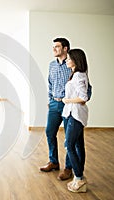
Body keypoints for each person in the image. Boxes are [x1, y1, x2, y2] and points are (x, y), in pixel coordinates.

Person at [40, 38, 91, 181]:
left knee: (71, 140)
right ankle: (53, 161)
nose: (54, 49)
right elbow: (50, 82)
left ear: (65, 48)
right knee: (49, 132)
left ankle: (69, 168)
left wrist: (82, 100)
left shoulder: (73, 65)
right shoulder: (52, 65)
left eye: (57, 46)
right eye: (53, 47)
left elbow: (87, 88)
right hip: (54, 103)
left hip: (69, 106)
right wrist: (50, 98)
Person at [62, 49, 89, 192]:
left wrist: (67, 100)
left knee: (69, 145)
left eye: (69, 58)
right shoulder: (77, 74)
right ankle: (79, 178)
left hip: (75, 114)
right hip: (74, 113)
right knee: (78, 145)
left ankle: (78, 177)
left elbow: (83, 97)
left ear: (76, 60)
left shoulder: (78, 75)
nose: (66, 60)